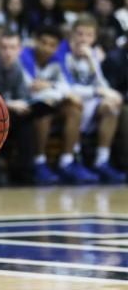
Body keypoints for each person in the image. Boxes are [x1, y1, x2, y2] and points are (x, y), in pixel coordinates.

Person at [20, 26, 94, 185]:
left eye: (52, 45)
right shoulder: (24, 55)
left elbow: (68, 87)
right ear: (35, 41)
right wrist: (54, 89)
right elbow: (30, 87)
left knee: (74, 107)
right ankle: (39, 161)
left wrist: (49, 86)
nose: (47, 48)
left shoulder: (58, 59)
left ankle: (67, 161)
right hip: (25, 106)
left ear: (57, 47)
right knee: (43, 110)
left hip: (52, 102)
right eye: (43, 43)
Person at [63, 15, 126, 183]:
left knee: (111, 107)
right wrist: (97, 91)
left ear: (95, 37)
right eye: (80, 34)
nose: (84, 39)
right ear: (72, 34)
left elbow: (103, 84)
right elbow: (67, 88)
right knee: (75, 104)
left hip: (89, 100)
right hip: (66, 102)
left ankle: (102, 160)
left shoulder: (93, 55)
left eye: (89, 35)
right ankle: (71, 160)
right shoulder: (64, 53)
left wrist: (92, 61)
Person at [0, 29, 40, 184]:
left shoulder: (17, 68)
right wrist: (9, 104)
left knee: (27, 121)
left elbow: (23, 96)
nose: (8, 52)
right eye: (4, 47)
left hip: (7, 116)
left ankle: (24, 173)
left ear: (19, 50)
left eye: (12, 47)